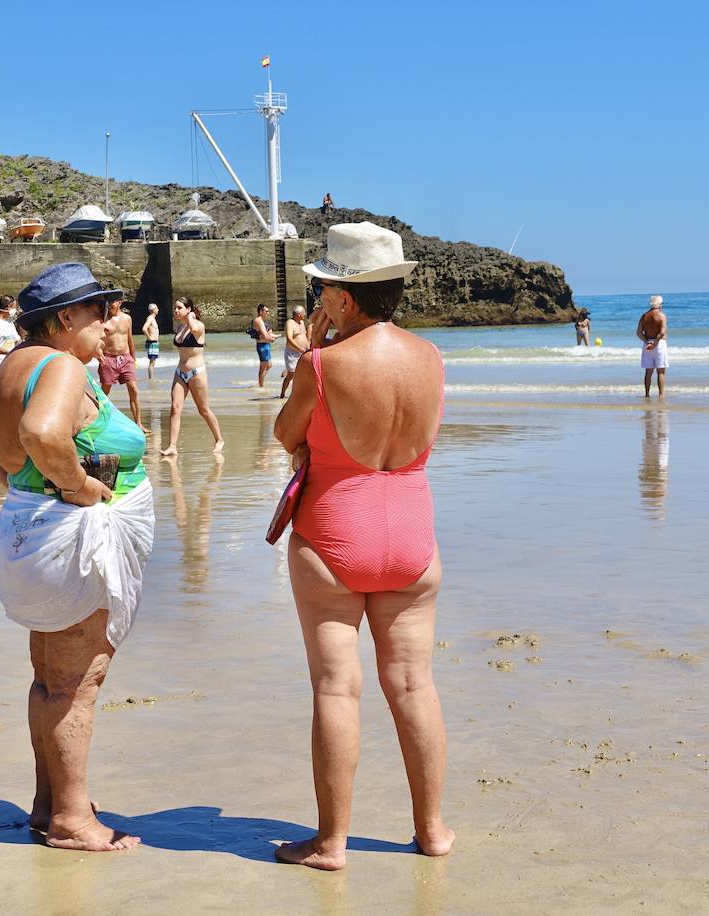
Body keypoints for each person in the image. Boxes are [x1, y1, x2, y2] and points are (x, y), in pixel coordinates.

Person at [273, 221, 454, 870]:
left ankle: (331, 843)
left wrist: (310, 358)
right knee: (413, 685)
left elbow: (285, 434)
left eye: (323, 288)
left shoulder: (322, 364)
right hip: (412, 538)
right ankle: (432, 831)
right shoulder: (430, 358)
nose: (319, 297)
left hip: (333, 535)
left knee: (336, 689)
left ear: (345, 298)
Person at [0, 261, 152, 853]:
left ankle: (49, 802)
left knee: (49, 679)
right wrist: (74, 488)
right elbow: (45, 434)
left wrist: (22, 485)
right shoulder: (63, 365)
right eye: (99, 312)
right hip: (68, 542)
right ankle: (71, 817)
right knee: (75, 685)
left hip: (30, 535)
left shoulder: (15, 363)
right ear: (66, 318)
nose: (108, 321)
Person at [159, 296, 225, 457]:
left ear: (188, 309)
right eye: (175, 308)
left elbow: (194, 330)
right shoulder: (180, 328)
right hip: (180, 373)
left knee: (203, 410)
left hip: (197, 373)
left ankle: (219, 440)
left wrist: (190, 318)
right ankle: (172, 446)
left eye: (180, 308)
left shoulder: (198, 325)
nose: (176, 310)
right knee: (175, 408)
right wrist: (187, 319)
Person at [95, 297, 143, 428]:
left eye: (112, 302)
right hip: (108, 359)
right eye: (108, 302)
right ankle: (98, 420)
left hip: (126, 358)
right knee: (104, 392)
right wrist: (97, 352)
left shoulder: (127, 318)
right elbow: (95, 338)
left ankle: (138, 423)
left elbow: (130, 339)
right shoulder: (102, 319)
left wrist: (134, 359)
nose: (109, 305)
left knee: (134, 390)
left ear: (120, 303)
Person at [636, 295, 668, 397]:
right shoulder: (662, 316)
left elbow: (639, 333)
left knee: (648, 372)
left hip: (647, 344)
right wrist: (655, 343)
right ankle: (661, 395)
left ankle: (647, 394)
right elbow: (662, 333)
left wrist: (647, 342)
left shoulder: (644, 316)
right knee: (661, 372)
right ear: (659, 304)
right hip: (659, 345)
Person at [280, 304, 309, 399]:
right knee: (292, 374)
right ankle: (282, 394)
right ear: (299, 314)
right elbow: (289, 338)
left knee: (303, 373)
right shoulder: (290, 323)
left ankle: (297, 394)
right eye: (304, 313)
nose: (305, 315)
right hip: (293, 352)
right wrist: (299, 348)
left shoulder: (302, 323)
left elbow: (305, 336)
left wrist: (308, 347)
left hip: (303, 352)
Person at [252, 303, 277, 389]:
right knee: (263, 367)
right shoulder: (258, 321)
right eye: (266, 311)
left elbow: (265, 334)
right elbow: (265, 336)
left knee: (269, 365)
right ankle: (261, 386)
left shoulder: (261, 321)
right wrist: (272, 339)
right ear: (261, 311)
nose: (268, 313)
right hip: (262, 346)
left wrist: (272, 337)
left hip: (265, 344)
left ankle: (260, 382)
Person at [141, 303, 160, 382]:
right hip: (152, 342)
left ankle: (151, 377)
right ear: (153, 310)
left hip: (154, 343)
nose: (158, 309)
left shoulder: (153, 318)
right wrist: (149, 337)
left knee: (153, 361)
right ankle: (151, 379)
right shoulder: (150, 318)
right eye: (157, 308)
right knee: (152, 361)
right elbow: (144, 328)